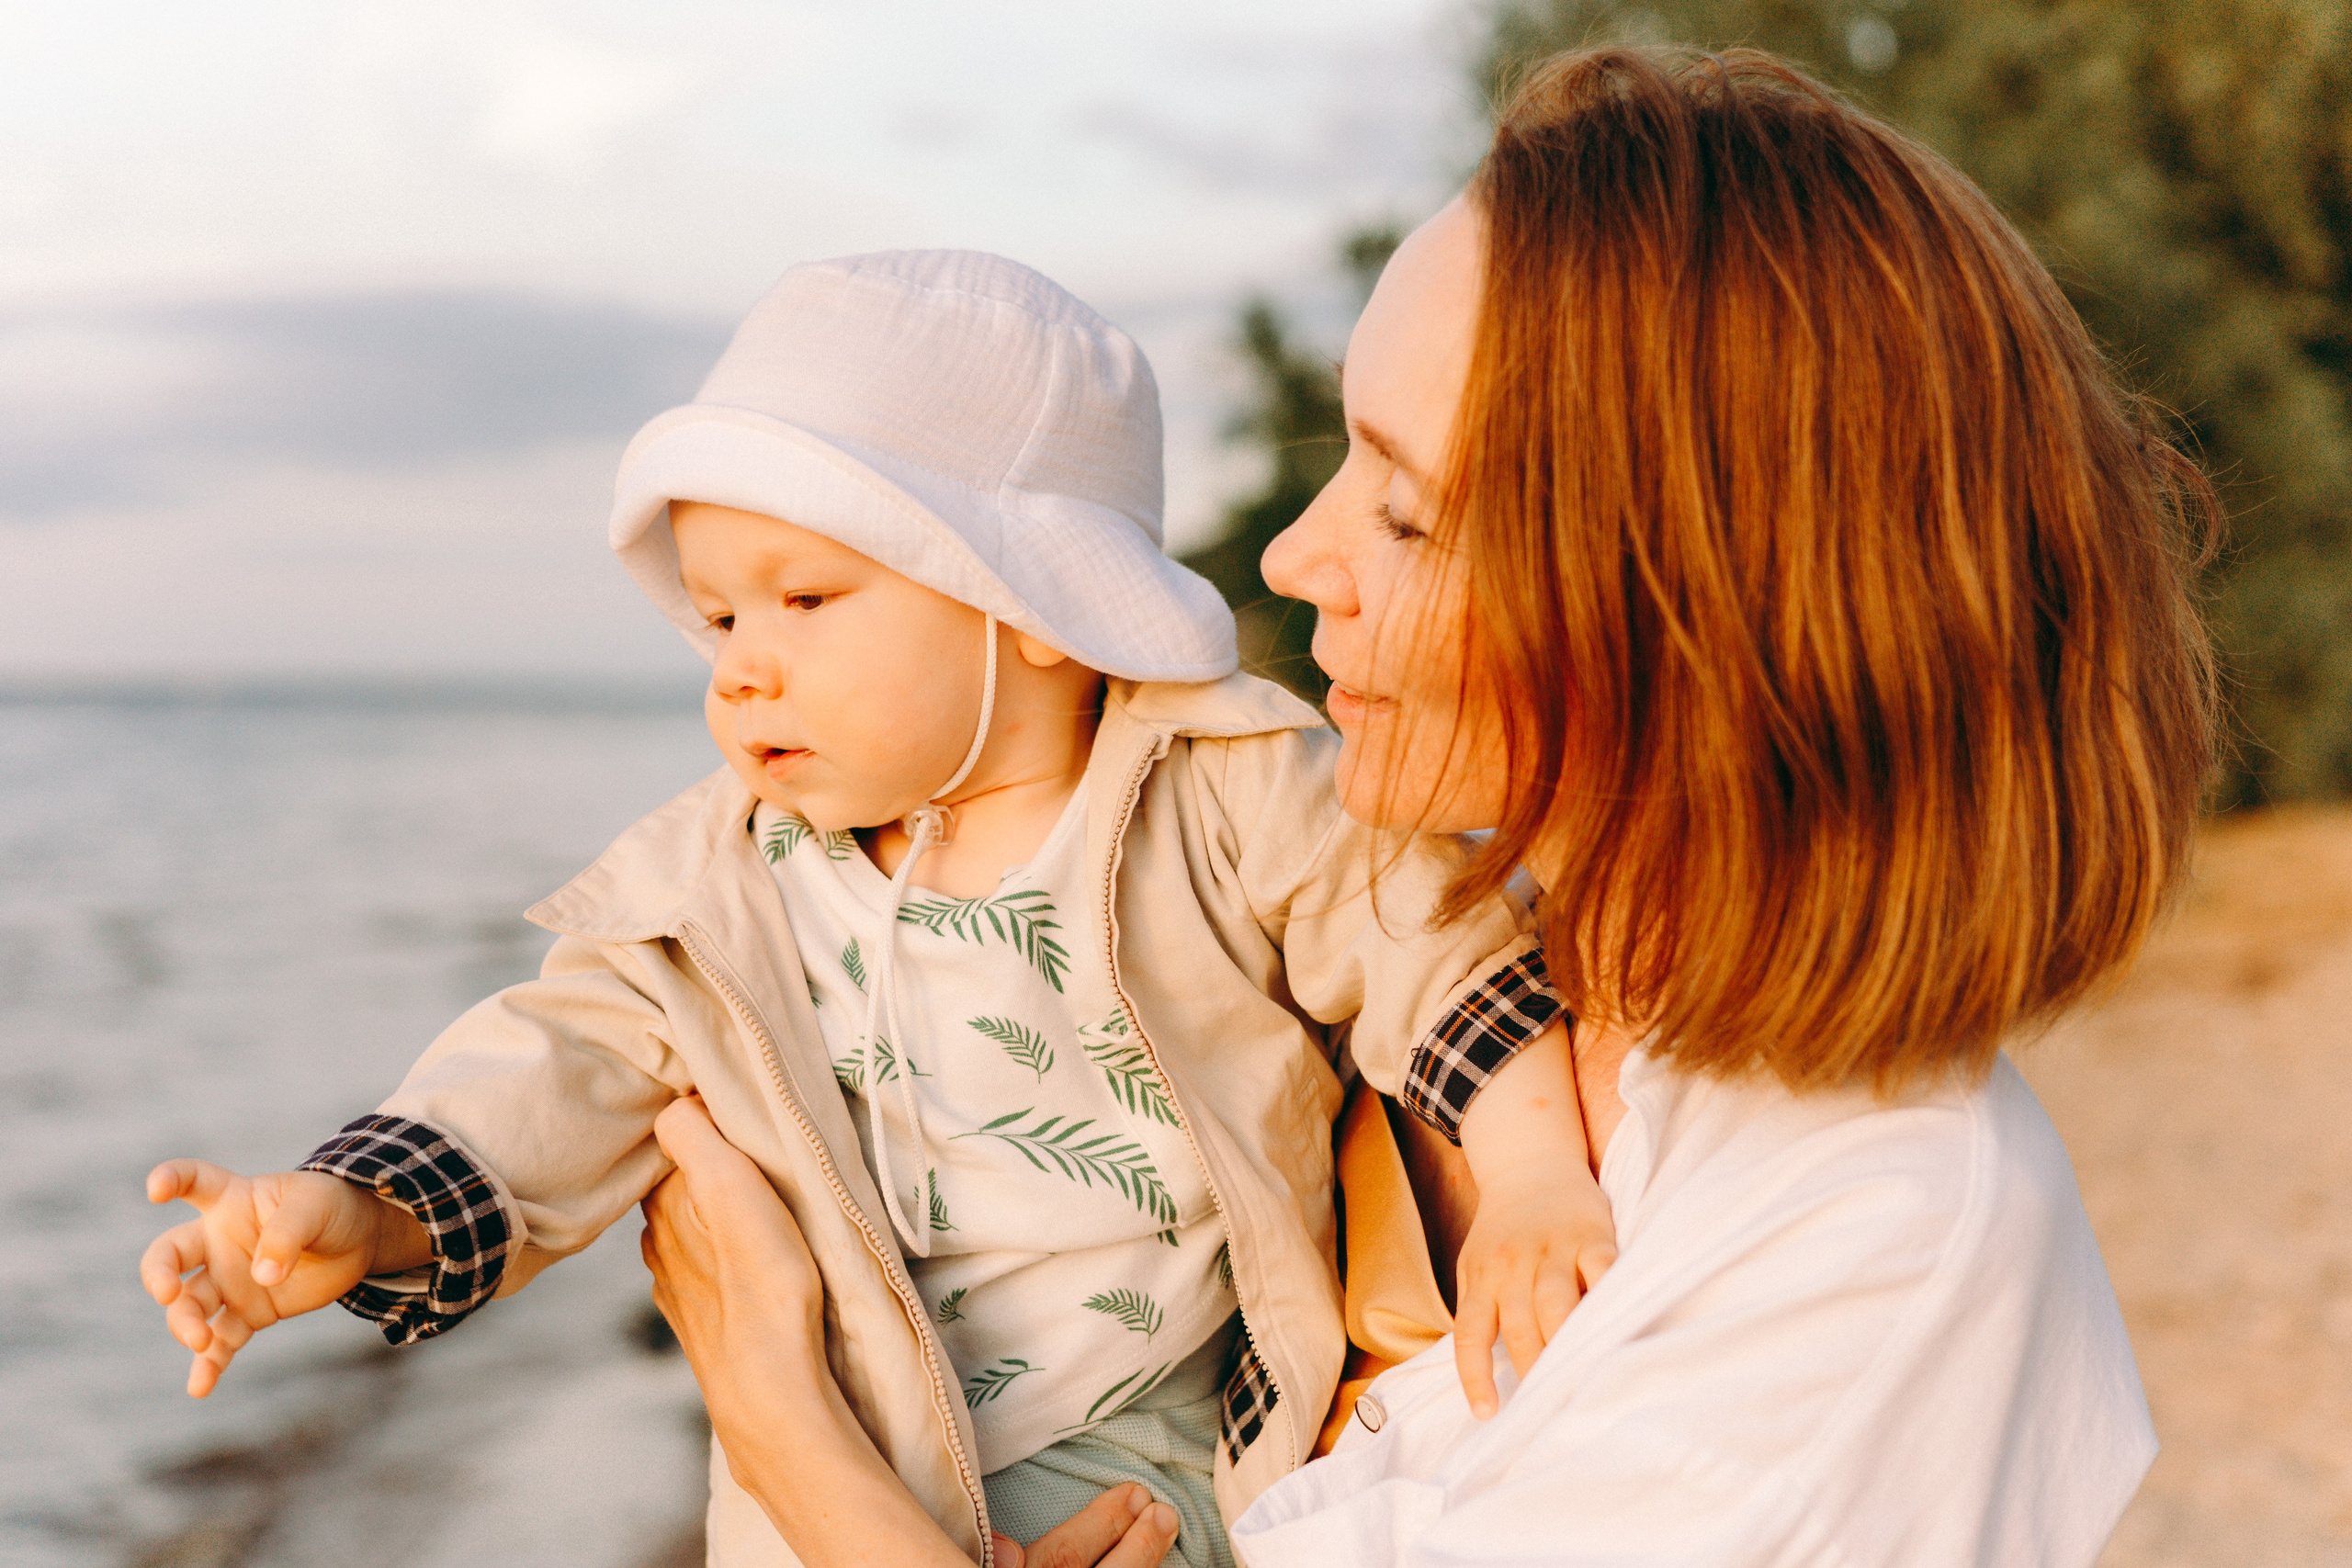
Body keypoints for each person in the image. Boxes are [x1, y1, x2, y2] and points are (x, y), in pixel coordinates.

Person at [636, 45, 2217, 1568]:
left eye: (1402, 509)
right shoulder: (1386, 936)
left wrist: (782, 1418)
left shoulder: (1867, 1250)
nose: (1289, 560)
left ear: (1700, 611)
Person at [135, 250, 1618, 1568]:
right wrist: (360, 1211)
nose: (741, 667)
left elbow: (1434, 948)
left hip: (1143, 1443)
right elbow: (554, 1065)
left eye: (807, 601)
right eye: (716, 616)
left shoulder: (1218, 792)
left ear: (1034, 609)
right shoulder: (723, 885)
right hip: (834, 1468)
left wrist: (1539, 1179)